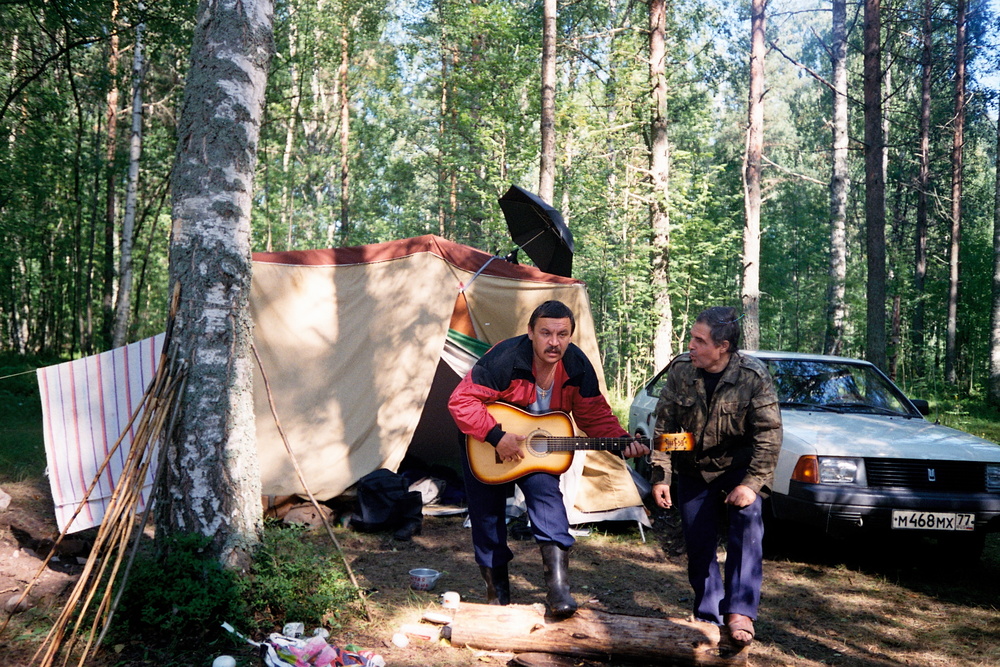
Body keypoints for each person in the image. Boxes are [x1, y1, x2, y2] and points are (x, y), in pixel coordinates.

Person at [448, 300, 648, 618]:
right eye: (545, 333)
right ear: (530, 333)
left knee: (548, 503)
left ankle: (558, 592)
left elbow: (594, 414)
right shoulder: (505, 358)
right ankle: (497, 599)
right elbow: (461, 401)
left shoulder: (577, 366)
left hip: (536, 450)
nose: (553, 342)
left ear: (570, 336)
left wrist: (623, 441)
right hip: (486, 443)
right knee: (487, 519)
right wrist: (497, 437)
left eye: (562, 334)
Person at [649, 306, 782, 647]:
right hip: (694, 468)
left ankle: (740, 612)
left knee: (748, 523)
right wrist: (661, 475)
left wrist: (751, 485)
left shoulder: (753, 376)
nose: (690, 346)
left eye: (699, 340)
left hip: (739, 468)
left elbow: (769, 435)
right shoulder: (681, 370)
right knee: (698, 543)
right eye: (692, 338)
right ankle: (709, 615)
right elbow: (666, 427)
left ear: (723, 346)